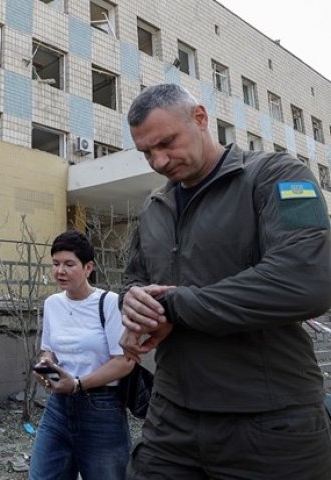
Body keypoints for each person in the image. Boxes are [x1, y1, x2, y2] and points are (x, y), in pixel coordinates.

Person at [119, 83, 331, 479]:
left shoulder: (276, 177)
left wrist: (172, 306)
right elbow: (134, 280)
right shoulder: (154, 207)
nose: (159, 161)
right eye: (146, 152)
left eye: (167, 143)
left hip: (271, 425)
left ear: (200, 118)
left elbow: (306, 281)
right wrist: (131, 302)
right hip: (171, 418)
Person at [29, 229, 134, 480]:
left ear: (88, 268)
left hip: (102, 408)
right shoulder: (53, 304)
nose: (60, 271)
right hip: (58, 407)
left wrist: (77, 384)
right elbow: (49, 350)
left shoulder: (109, 302)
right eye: (55, 264)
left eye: (69, 264)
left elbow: (124, 361)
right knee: (42, 475)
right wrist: (45, 365)